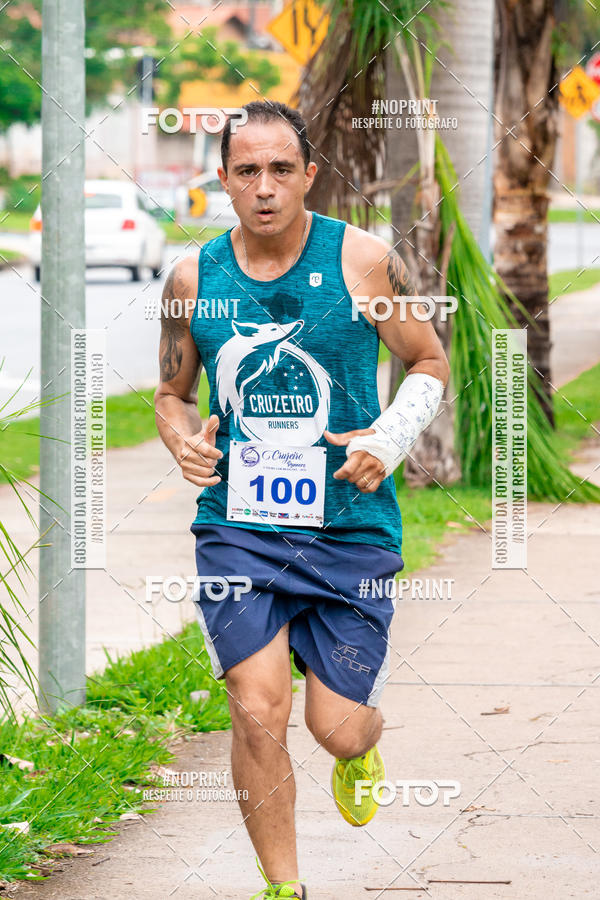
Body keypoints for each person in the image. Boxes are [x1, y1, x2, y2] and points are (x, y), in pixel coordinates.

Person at [154, 100, 449, 900]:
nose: (265, 187)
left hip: (349, 527)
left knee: (337, 727)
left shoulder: (362, 261)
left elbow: (428, 360)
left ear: (309, 175)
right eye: (246, 170)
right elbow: (171, 391)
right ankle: (283, 886)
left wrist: (387, 441)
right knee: (256, 708)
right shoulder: (193, 279)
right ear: (223, 178)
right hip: (238, 530)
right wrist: (181, 436)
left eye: (282, 169)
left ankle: (362, 746)